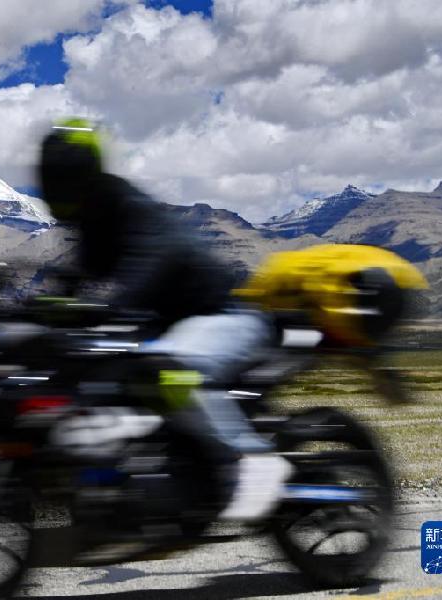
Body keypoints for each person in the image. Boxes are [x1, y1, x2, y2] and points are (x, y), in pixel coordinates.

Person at [37, 117, 292, 521]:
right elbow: (79, 277)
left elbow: (156, 256)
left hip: (219, 315)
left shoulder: (128, 206)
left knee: (171, 367)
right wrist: (43, 311)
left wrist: (115, 306)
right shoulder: (92, 225)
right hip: (167, 327)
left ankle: (250, 460)